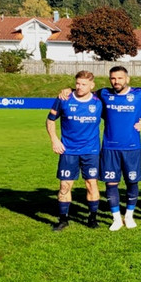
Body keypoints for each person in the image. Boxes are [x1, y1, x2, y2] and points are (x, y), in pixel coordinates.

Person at [56, 65, 141, 231]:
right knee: (111, 182)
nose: (116, 81)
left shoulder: (139, 93)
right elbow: (83, 90)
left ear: (127, 79)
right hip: (109, 147)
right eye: (113, 78)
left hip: (132, 146)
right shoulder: (104, 94)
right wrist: (68, 88)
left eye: (119, 78)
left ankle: (129, 216)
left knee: (132, 181)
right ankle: (116, 218)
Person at [46, 70, 102, 231]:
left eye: (84, 84)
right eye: (77, 83)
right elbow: (50, 120)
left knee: (91, 184)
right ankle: (63, 219)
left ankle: (92, 218)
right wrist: (54, 140)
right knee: (65, 186)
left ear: (92, 85)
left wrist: (138, 121)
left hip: (90, 151)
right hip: (68, 151)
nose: (79, 87)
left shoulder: (99, 101)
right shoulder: (64, 99)